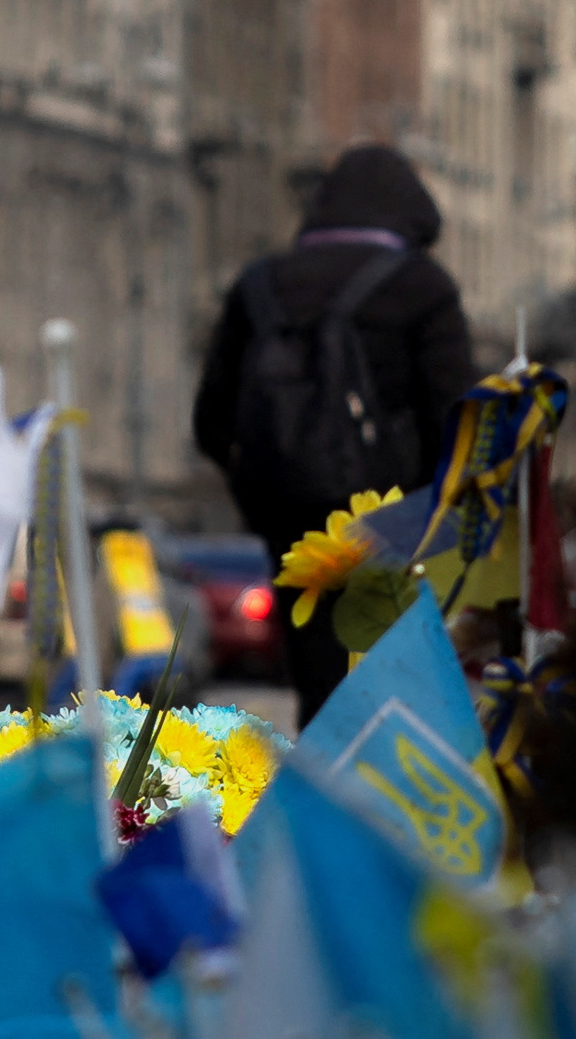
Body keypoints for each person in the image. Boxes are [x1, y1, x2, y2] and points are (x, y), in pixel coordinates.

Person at [190, 144, 480, 715]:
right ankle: (377, 800)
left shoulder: (259, 287)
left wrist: (267, 494)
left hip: (292, 529)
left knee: (318, 685)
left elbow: (210, 424)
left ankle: (320, 794)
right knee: (391, 693)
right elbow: (458, 421)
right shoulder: (423, 287)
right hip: (396, 530)